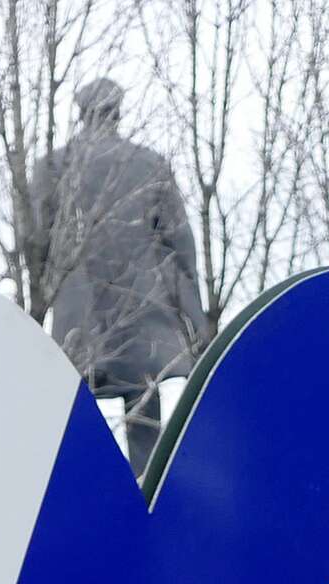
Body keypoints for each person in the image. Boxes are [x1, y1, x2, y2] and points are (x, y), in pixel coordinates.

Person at [31, 77, 211, 477]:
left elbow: (36, 243)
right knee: (144, 417)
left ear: (82, 113)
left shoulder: (54, 167)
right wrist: (196, 322)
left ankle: (85, 492)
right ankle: (144, 496)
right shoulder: (150, 165)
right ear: (118, 112)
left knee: (74, 421)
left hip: (78, 318)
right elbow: (180, 247)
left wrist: (39, 306)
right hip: (142, 315)